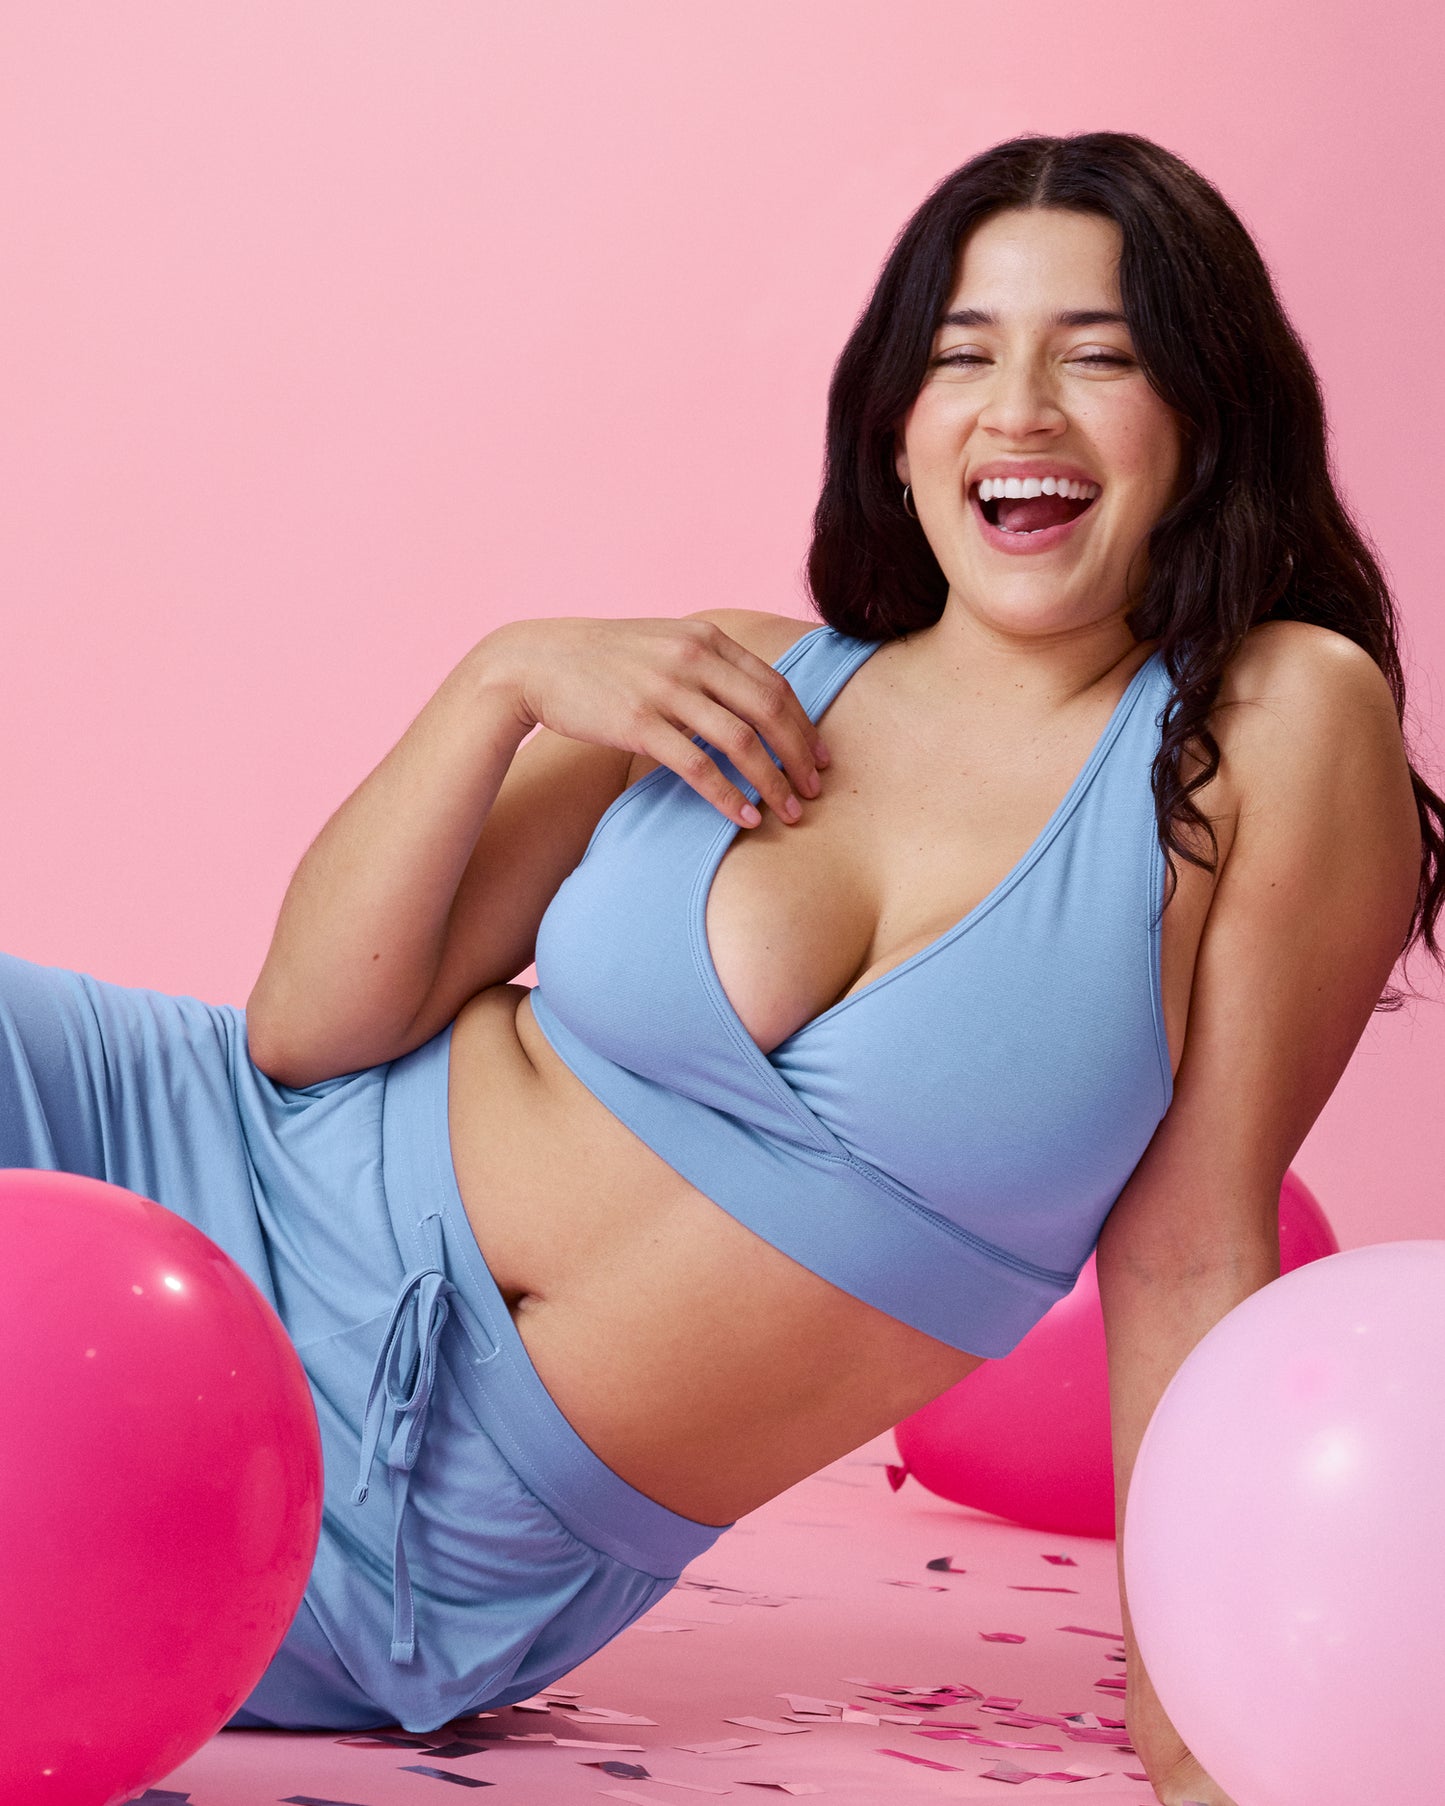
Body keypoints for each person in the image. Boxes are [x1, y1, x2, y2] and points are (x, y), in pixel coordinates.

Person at [4, 131, 1438, 1806]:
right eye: (963, 356)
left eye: (1098, 358)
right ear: (896, 430)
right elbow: (307, 1032)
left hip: (413, 1522)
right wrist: (499, 681)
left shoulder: (1268, 726)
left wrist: (1204, 1747)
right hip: (190, 1170)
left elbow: (1190, 1254)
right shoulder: (742, 676)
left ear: (1203, 422)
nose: (1021, 410)